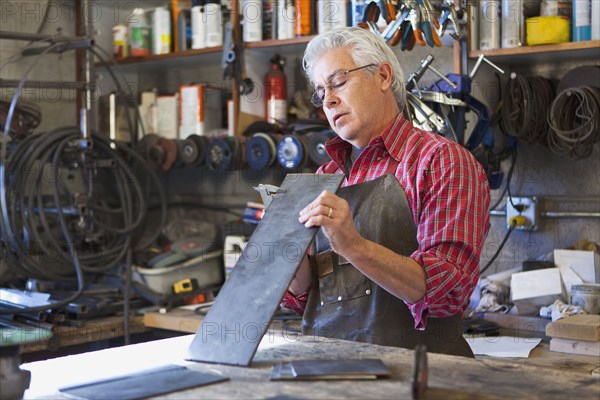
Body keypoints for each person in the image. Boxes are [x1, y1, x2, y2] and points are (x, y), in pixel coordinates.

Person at [280, 27, 490, 358]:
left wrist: (354, 246)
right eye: (321, 92)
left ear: (382, 76)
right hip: (330, 372)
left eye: (338, 82)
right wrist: (289, 266)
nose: (329, 99)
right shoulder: (326, 176)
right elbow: (317, 301)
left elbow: (449, 291)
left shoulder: (440, 162)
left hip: (420, 376)